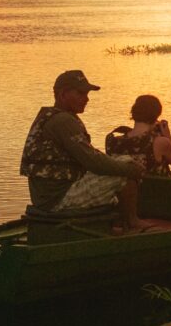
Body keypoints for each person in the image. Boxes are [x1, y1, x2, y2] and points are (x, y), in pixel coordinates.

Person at [19, 69, 148, 232]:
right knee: (125, 170)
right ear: (63, 94)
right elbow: (92, 161)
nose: (86, 99)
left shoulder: (54, 117)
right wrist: (131, 169)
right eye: (80, 93)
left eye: (87, 94)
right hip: (57, 199)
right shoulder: (63, 121)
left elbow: (89, 154)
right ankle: (132, 222)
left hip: (50, 195)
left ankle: (119, 221)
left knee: (122, 163)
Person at [105, 93, 171, 176]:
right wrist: (168, 136)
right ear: (156, 115)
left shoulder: (113, 142)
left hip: (124, 188)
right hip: (155, 188)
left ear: (134, 112)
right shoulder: (160, 142)